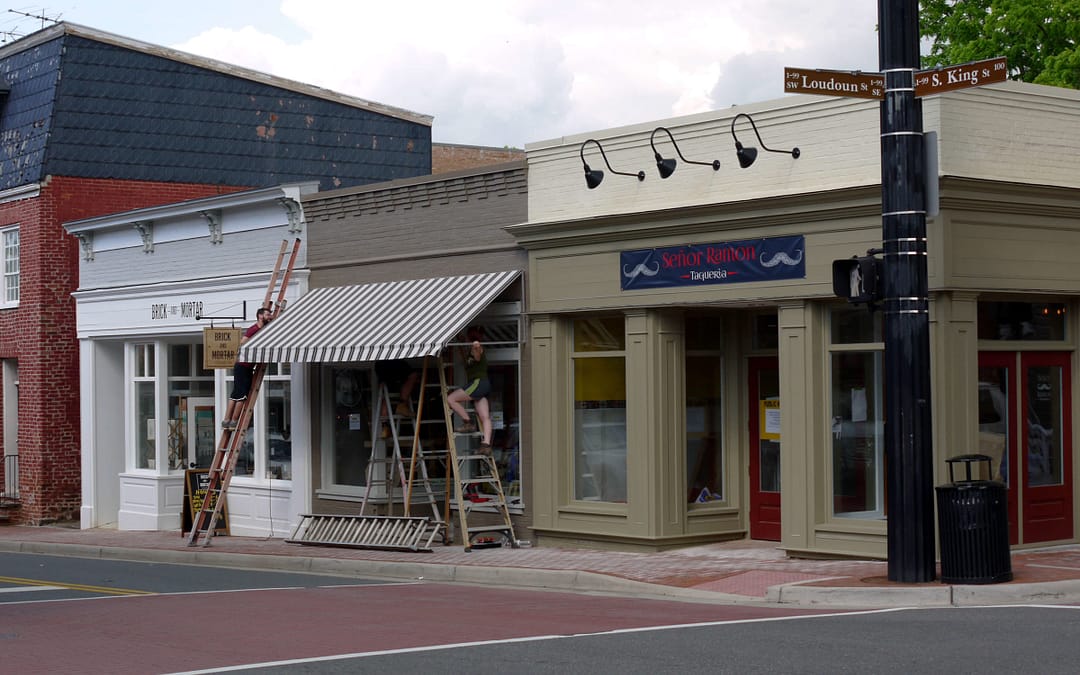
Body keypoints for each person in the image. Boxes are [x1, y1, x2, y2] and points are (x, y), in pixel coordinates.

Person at [222, 307, 272, 430]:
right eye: (267, 314)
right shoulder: (254, 329)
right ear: (260, 316)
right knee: (241, 395)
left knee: (237, 393)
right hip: (243, 366)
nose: (269, 316)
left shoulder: (262, 329)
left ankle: (227, 420)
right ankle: (233, 421)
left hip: (245, 367)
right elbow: (242, 342)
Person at [447, 331, 493, 455]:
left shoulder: (477, 352)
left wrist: (476, 345)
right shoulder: (468, 355)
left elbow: (477, 351)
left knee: (451, 399)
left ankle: (468, 423)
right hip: (483, 385)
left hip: (478, 383)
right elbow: (464, 353)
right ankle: (486, 445)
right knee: (485, 417)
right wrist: (461, 340)